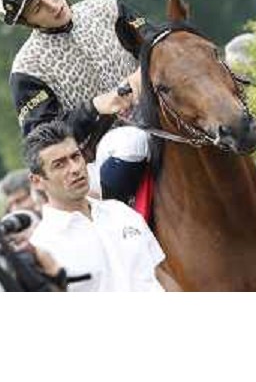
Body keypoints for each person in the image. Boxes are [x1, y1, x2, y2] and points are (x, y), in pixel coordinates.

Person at [0, 0, 150, 205]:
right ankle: (119, 228)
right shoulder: (27, 69)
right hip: (98, 159)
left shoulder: (108, 8)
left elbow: (157, 44)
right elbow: (41, 140)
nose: (53, 6)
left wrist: (146, 67)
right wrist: (94, 108)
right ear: (26, 21)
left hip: (158, 115)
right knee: (130, 143)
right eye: (38, 8)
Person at [24, 120, 167, 292]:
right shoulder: (43, 245)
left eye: (76, 156)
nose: (75, 168)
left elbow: (161, 274)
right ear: (37, 181)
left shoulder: (121, 212)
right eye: (59, 164)